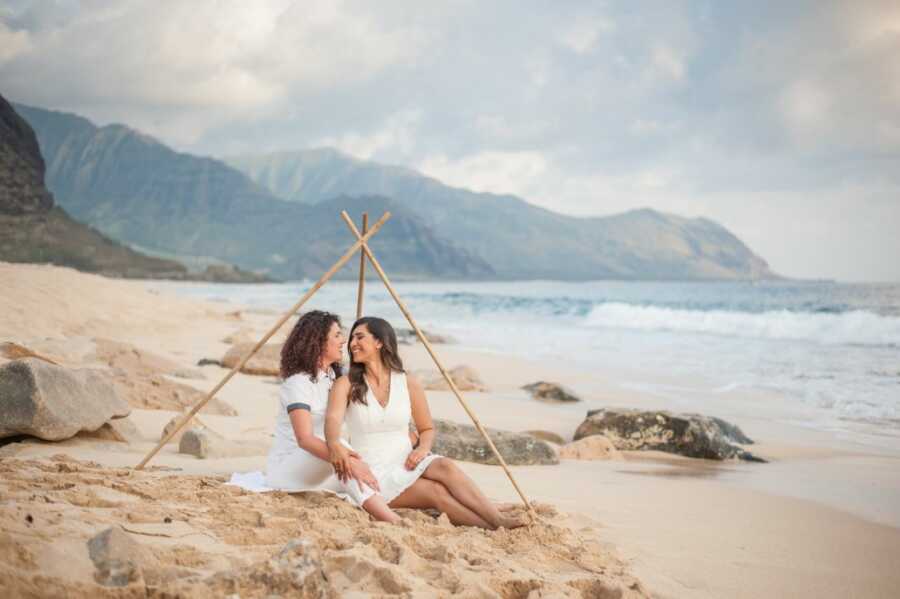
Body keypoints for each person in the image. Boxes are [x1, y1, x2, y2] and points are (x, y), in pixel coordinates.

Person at [326, 316, 526, 529]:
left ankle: (497, 518)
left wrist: (422, 449)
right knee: (435, 492)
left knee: (445, 466)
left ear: (379, 342)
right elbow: (332, 419)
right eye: (351, 339)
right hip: (372, 473)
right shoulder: (346, 384)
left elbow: (427, 429)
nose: (352, 343)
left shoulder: (408, 383)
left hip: (405, 461)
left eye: (360, 337)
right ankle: (494, 526)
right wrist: (334, 444)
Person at [265, 310, 398, 522]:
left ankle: (387, 509)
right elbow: (305, 439)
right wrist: (348, 460)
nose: (343, 341)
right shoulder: (298, 383)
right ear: (318, 341)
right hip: (289, 469)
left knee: (363, 463)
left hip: (320, 465)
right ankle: (391, 520)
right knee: (343, 450)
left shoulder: (335, 379)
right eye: (336, 335)